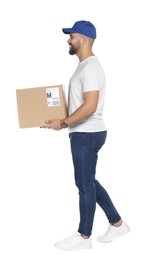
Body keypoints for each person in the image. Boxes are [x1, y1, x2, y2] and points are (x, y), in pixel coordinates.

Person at [43, 20, 130, 251]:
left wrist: (62, 122)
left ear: (83, 39)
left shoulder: (90, 67)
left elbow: (90, 106)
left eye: (71, 36)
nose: (68, 40)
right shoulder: (85, 66)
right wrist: (58, 118)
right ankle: (117, 223)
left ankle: (84, 236)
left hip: (86, 133)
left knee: (84, 184)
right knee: (88, 182)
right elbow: (82, 104)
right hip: (86, 132)